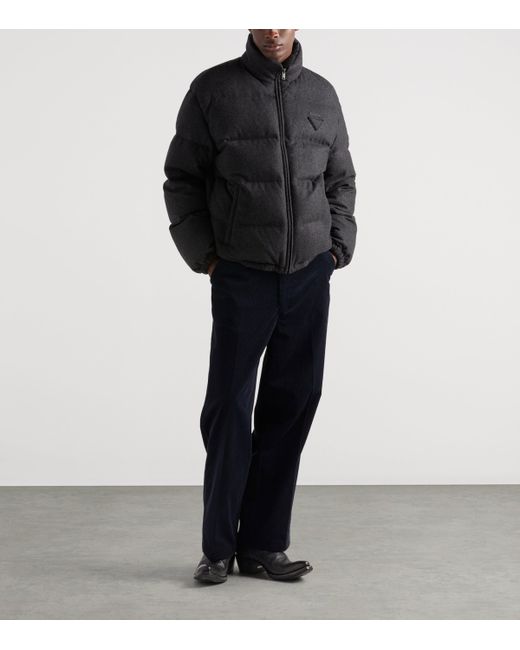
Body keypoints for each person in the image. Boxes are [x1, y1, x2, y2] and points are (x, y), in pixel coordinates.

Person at [163, 28, 357, 584]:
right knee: (229, 406)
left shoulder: (321, 93)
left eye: (283, 18)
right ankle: (218, 549)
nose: (273, 29)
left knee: (292, 403)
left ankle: (264, 546)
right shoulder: (212, 90)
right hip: (241, 273)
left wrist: (336, 247)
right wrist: (208, 258)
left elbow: (340, 178)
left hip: (308, 274)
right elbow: (181, 181)